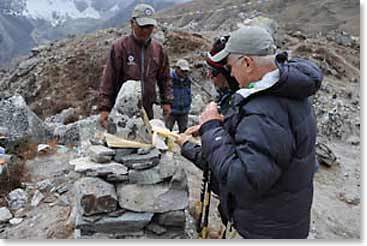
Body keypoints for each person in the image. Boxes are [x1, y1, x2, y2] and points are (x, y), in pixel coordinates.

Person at [178, 26, 323, 239]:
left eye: (230, 67)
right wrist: (215, 128)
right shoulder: (288, 90)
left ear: (247, 63)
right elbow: (258, 148)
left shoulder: (265, 109)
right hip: (280, 221)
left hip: (261, 230)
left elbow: (243, 178)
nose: (232, 75)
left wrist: (211, 128)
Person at [98, 3, 172, 128]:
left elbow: (164, 78)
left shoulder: (158, 50)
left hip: (149, 110)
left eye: (150, 26)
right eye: (142, 26)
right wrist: (105, 107)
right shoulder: (120, 47)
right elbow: (109, 78)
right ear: (132, 23)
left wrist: (167, 102)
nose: (146, 30)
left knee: (147, 144)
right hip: (123, 112)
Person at [165, 59, 193, 133]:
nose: (184, 73)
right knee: (167, 132)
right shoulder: (169, 79)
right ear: (177, 69)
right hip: (171, 110)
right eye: (182, 71)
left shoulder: (188, 80)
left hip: (184, 111)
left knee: (184, 133)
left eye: (186, 71)